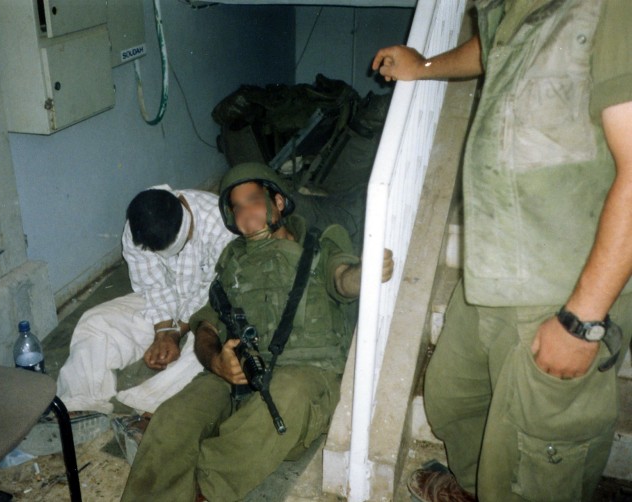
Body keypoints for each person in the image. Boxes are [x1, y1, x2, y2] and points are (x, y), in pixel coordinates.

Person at [372, 1, 632, 501]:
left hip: (561, 288)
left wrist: (583, 320)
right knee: (451, 399)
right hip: (492, 270)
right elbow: (493, 50)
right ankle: (477, 490)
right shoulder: (506, 7)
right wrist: (424, 67)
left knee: (539, 461)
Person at [121, 162, 394, 501]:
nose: (246, 213)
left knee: (285, 397)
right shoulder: (231, 258)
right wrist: (214, 360)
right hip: (239, 373)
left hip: (304, 374)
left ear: (278, 202)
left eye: (253, 200)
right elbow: (206, 321)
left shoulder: (319, 242)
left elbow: (342, 279)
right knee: (172, 418)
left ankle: (203, 491)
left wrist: (363, 273)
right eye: (237, 207)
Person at [56, 186, 235, 414]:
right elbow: (153, 287)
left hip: (212, 305)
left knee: (208, 352)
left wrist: (175, 333)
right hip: (170, 299)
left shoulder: (222, 225)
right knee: (96, 322)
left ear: (187, 222)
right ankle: (81, 403)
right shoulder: (138, 228)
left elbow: (211, 297)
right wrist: (163, 333)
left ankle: (150, 407)